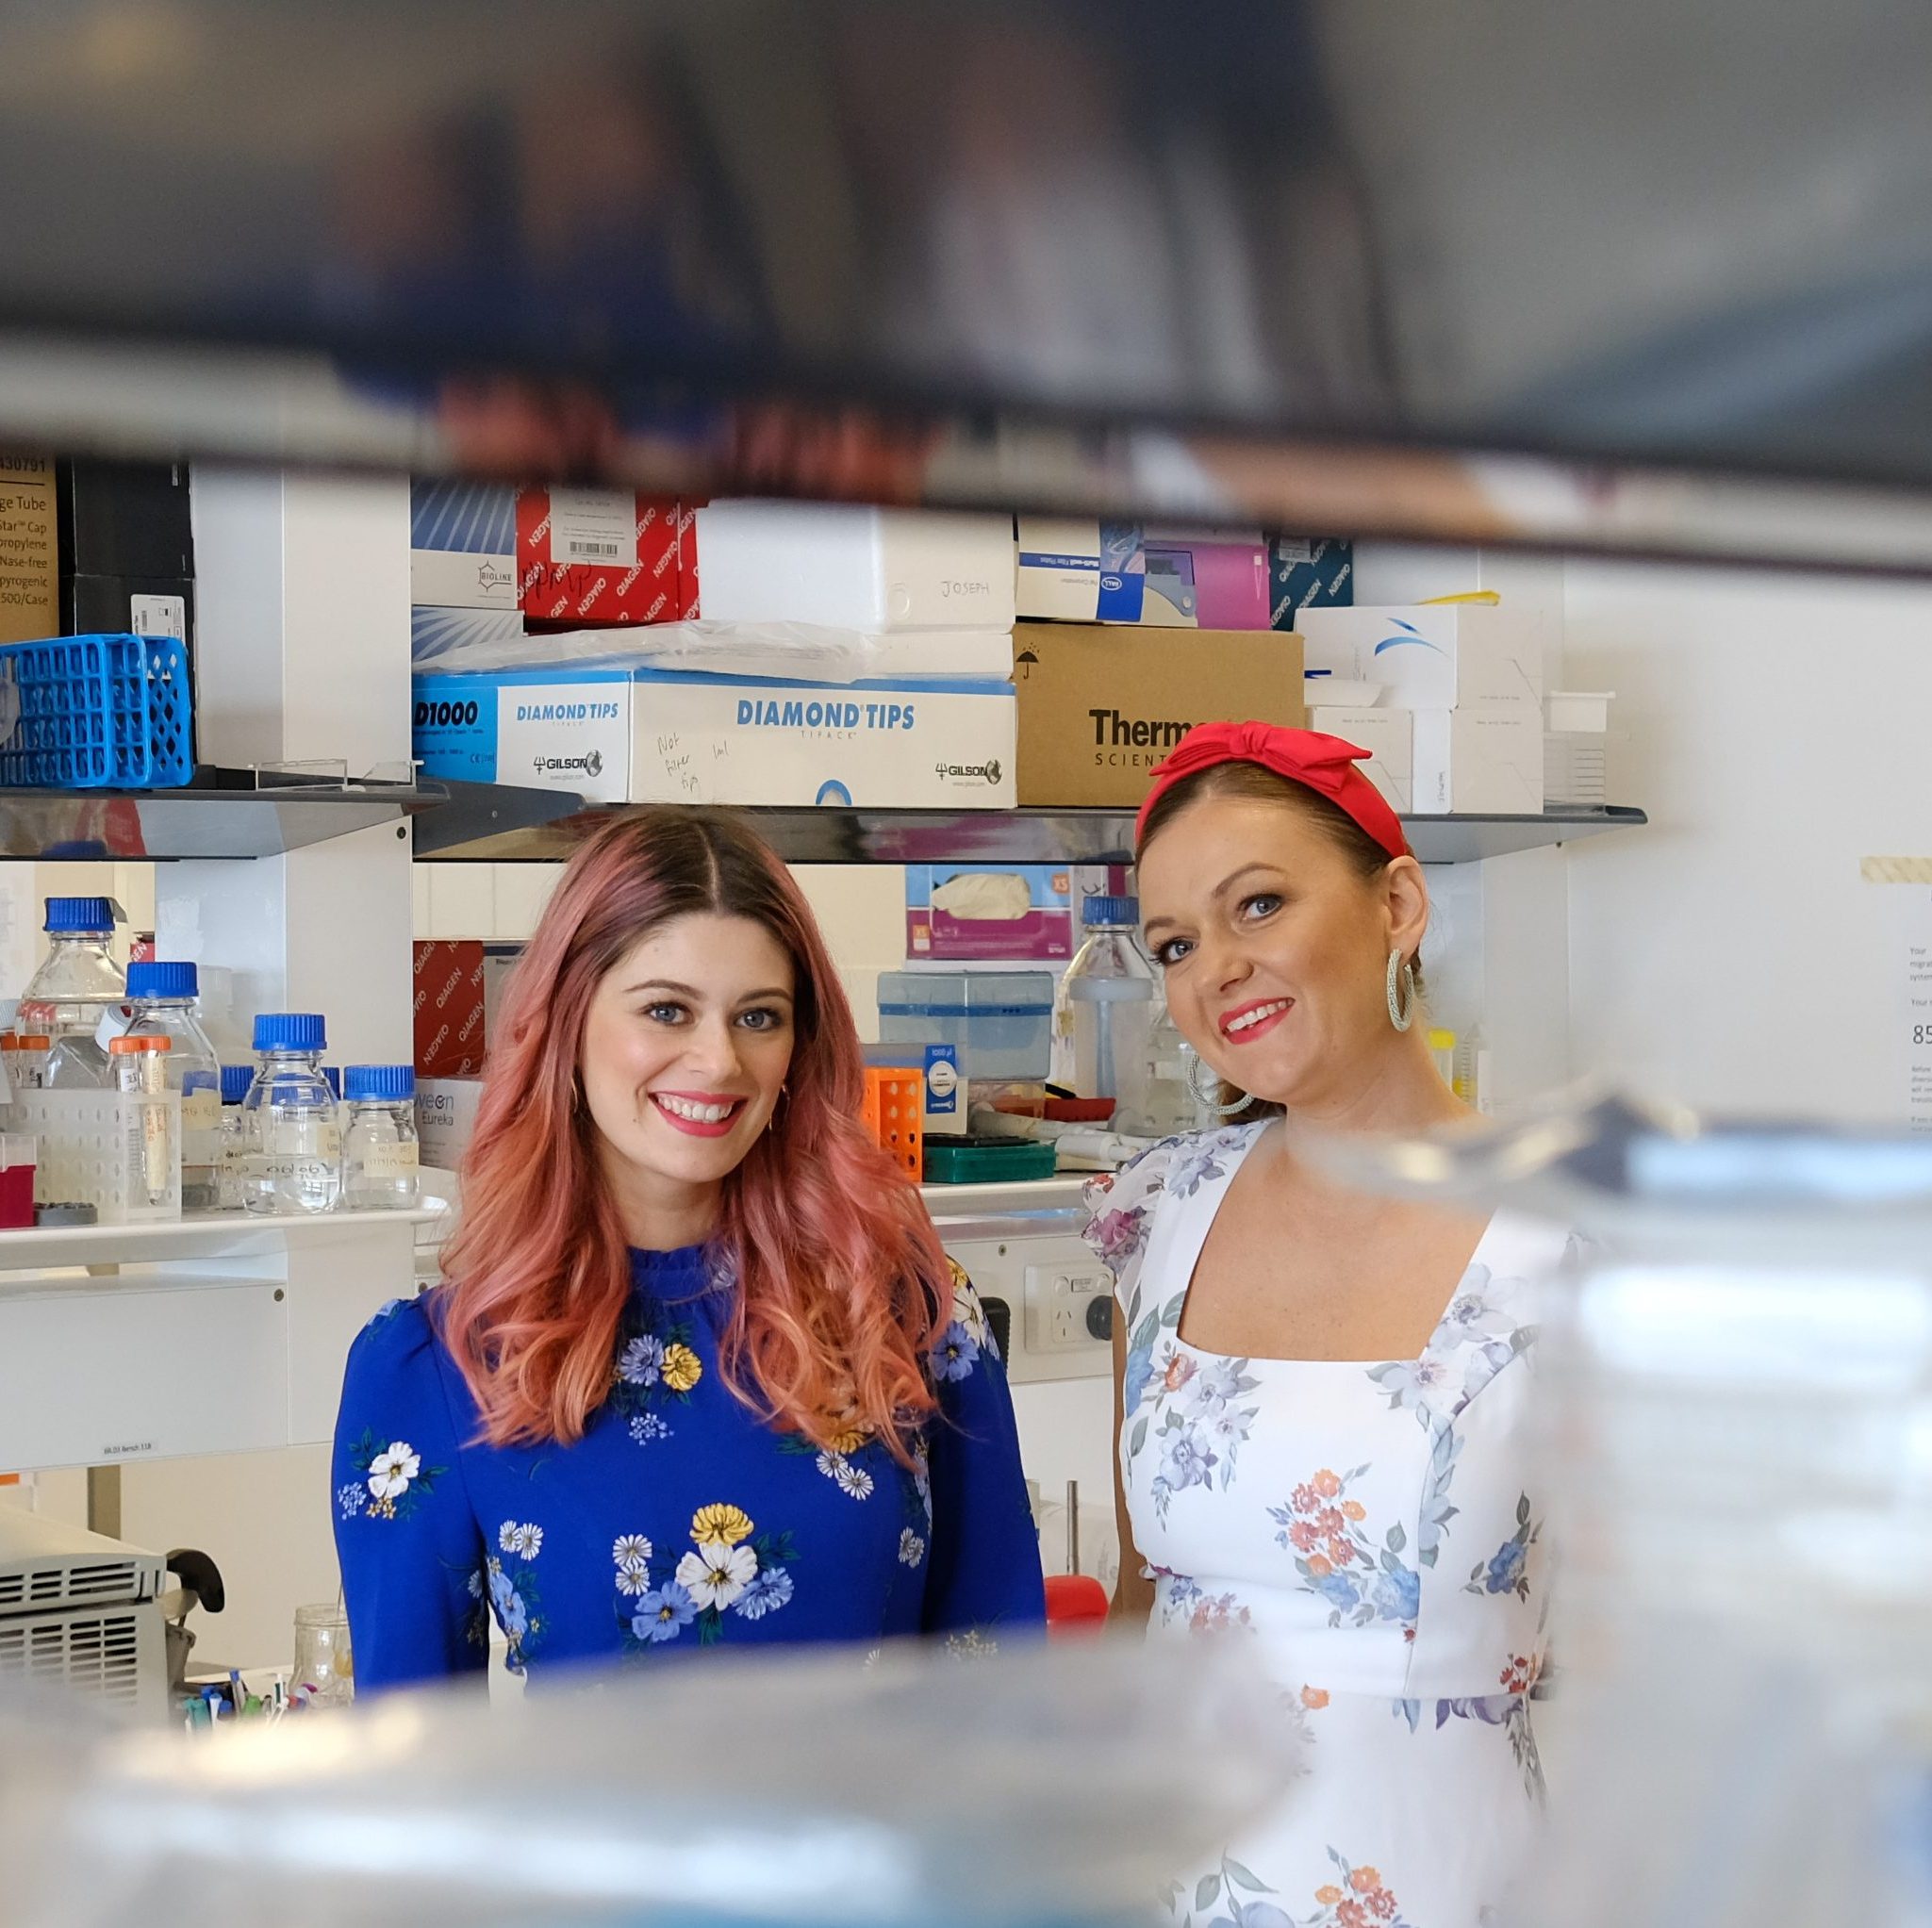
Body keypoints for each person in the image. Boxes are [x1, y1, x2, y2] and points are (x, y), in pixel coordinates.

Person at [335, 809, 1043, 1688]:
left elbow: (1000, 1686)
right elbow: (415, 1777)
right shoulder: (433, 1367)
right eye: (666, 1010)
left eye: (759, 1017)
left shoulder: (910, 1313)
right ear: (566, 1023)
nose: (717, 1060)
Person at [1083, 721, 1566, 1928]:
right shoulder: (1161, 1212)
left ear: (1398, 902)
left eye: (1259, 905)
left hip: (1451, 1880)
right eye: (1177, 944)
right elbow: (1147, 1596)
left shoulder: (1573, 1237)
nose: (1216, 969)